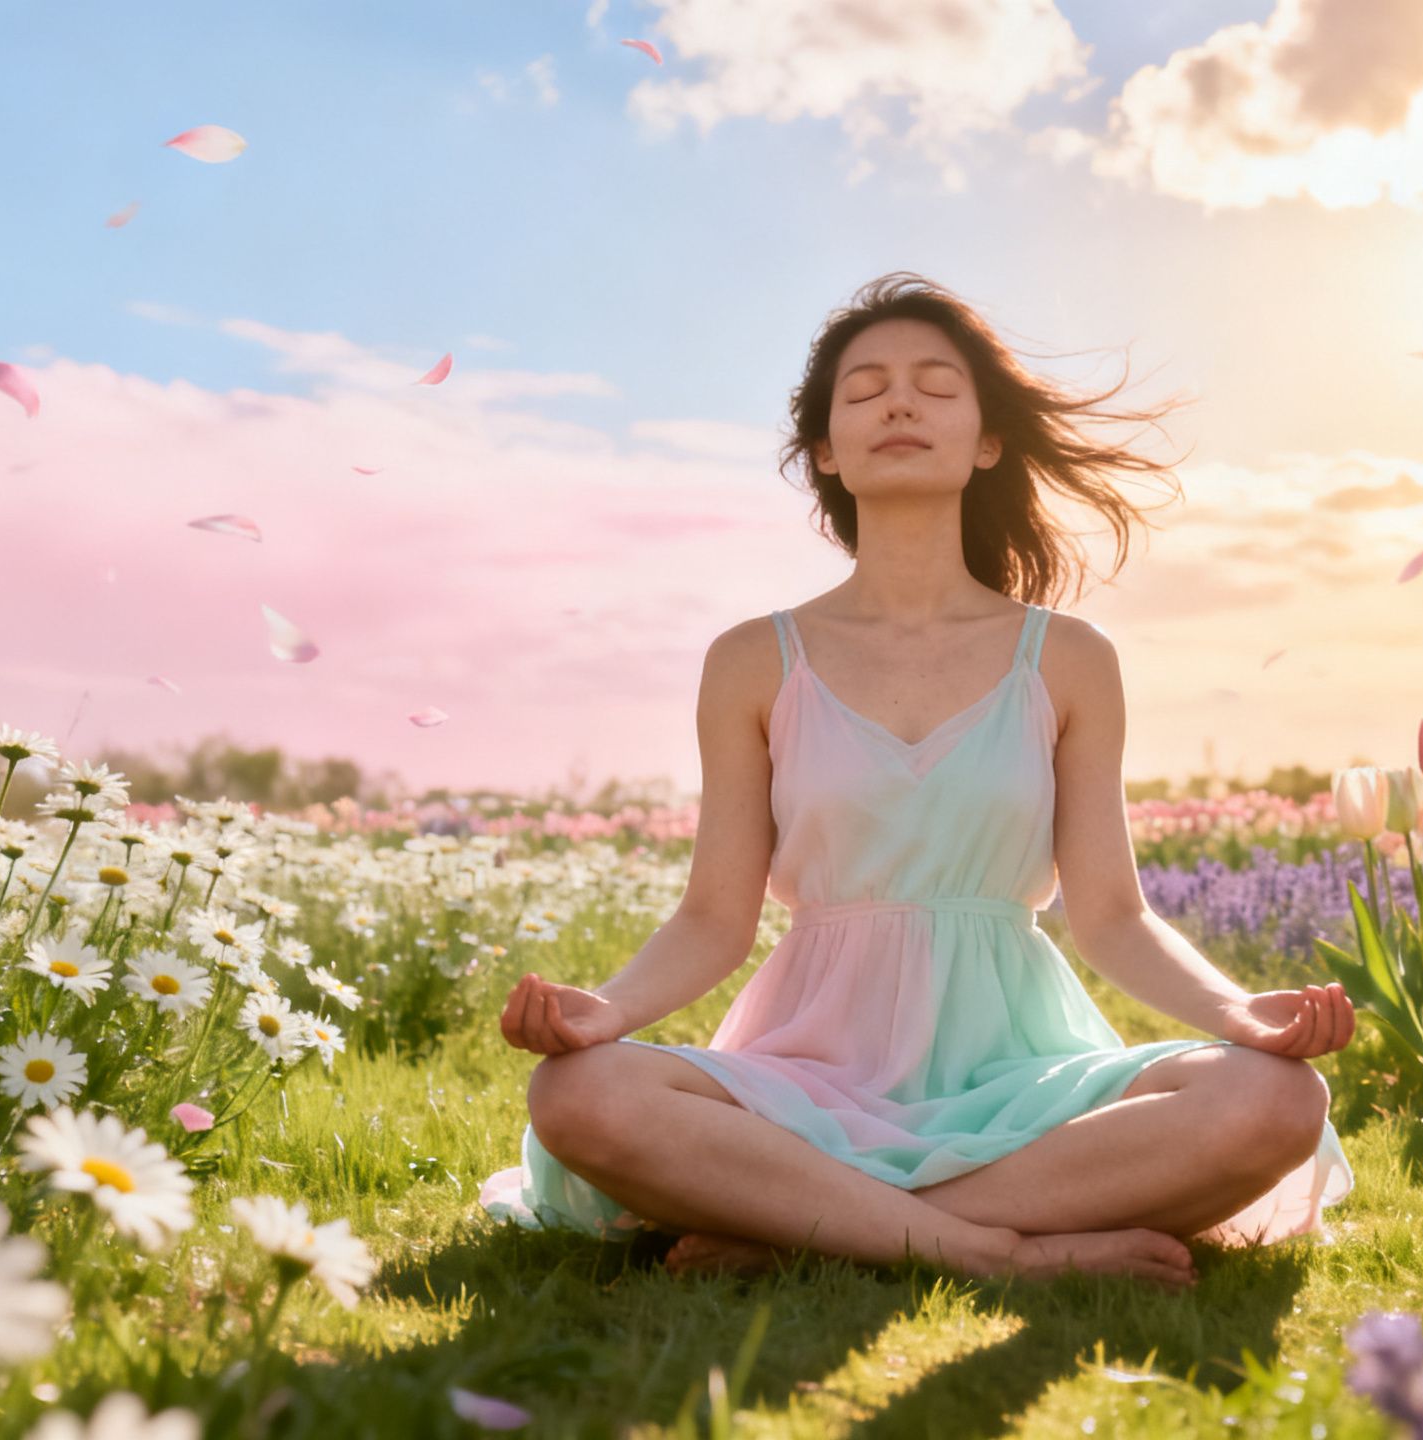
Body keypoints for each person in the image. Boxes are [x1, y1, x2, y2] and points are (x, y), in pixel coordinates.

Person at [477, 273, 1356, 1289]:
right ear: (824, 452)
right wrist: (602, 1015)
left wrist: (1240, 1016)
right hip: (805, 1070)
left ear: (987, 440)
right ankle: (991, 1252)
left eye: (937, 385)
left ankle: (793, 1227)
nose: (899, 403)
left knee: (1275, 1104)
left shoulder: (1066, 658)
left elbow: (1113, 915)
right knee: (580, 1098)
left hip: (1017, 1074)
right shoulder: (752, 660)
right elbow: (714, 919)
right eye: (865, 391)